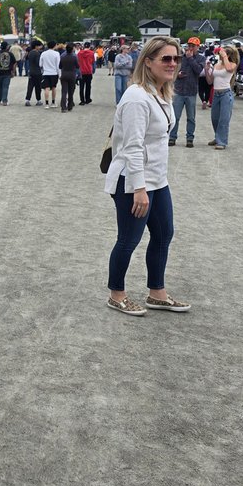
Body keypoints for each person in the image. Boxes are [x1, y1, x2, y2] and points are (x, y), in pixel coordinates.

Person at [104, 37, 189, 317]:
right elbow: (132, 147)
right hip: (133, 180)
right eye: (166, 58)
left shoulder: (160, 93)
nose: (173, 64)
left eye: (176, 58)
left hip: (157, 180)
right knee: (129, 239)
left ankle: (157, 292)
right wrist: (138, 188)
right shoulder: (137, 97)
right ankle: (117, 295)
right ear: (148, 62)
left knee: (164, 233)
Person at [169, 37, 204, 147]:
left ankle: (190, 138)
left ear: (198, 47)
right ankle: (172, 137)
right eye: (189, 45)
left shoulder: (200, 58)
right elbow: (173, 71)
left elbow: (198, 71)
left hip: (191, 91)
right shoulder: (180, 58)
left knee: (191, 117)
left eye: (193, 46)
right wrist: (177, 75)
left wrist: (190, 59)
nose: (190, 48)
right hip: (179, 90)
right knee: (175, 116)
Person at [205, 45, 239, 149]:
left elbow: (228, 69)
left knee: (224, 119)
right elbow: (210, 81)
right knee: (215, 118)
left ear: (228, 55)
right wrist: (207, 70)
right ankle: (218, 137)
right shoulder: (217, 64)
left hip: (225, 94)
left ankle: (222, 142)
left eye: (223, 53)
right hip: (216, 93)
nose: (220, 55)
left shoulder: (233, 64)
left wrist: (224, 57)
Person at [0, 40, 15, 105]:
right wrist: (13, 71)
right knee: (5, 87)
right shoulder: (10, 54)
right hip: (7, 72)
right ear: (7, 47)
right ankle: (4, 100)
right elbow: (14, 63)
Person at [39, 41, 61, 108]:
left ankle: (46, 104)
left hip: (46, 73)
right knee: (54, 87)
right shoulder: (57, 54)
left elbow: (40, 64)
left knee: (46, 88)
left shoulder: (43, 53)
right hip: (54, 73)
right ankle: (53, 102)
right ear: (54, 46)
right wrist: (59, 74)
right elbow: (58, 65)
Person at [59, 43, 78, 111]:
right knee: (71, 91)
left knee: (64, 91)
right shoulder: (74, 56)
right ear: (72, 49)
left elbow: (60, 66)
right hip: (72, 75)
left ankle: (63, 107)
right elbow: (77, 66)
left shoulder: (62, 56)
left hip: (64, 74)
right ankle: (70, 105)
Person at [25, 40, 44, 105]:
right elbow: (38, 63)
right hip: (37, 72)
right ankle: (38, 100)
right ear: (36, 46)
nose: (40, 47)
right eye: (39, 46)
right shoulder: (37, 53)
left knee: (30, 86)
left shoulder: (30, 53)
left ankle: (27, 100)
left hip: (31, 71)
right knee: (38, 87)